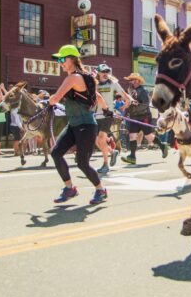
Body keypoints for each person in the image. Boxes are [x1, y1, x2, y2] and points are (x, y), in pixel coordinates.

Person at [48, 45, 109, 205]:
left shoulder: (73, 78)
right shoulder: (83, 77)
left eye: (62, 59)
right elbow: (97, 96)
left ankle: (101, 190)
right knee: (56, 153)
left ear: (72, 59)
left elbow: (55, 98)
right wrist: (107, 110)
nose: (60, 62)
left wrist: (49, 101)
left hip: (86, 125)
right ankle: (70, 188)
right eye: (59, 60)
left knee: (82, 163)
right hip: (74, 124)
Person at [121, 73, 167, 165]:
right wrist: (126, 114)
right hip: (134, 117)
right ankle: (132, 157)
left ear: (138, 81)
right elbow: (129, 104)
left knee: (148, 136)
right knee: (132, 136)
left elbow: (145, 104)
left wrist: (135, 106)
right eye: (130, 80)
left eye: (133, 79)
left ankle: (162, 146)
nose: (131, 81)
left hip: (144, 116)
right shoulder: (130, 91)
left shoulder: (143, 91)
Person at [93, 63, 132, 174]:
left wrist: (126, 104)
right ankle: (112, 152)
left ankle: (105, 165)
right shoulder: (95, 84)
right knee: (97, 141)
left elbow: (125, 95)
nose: (105, 74)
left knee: (101, 139)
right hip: (96, 115)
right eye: (103, 72)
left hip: (107, 115)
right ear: (98, 72)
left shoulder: (113, 83)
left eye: (107, 72)